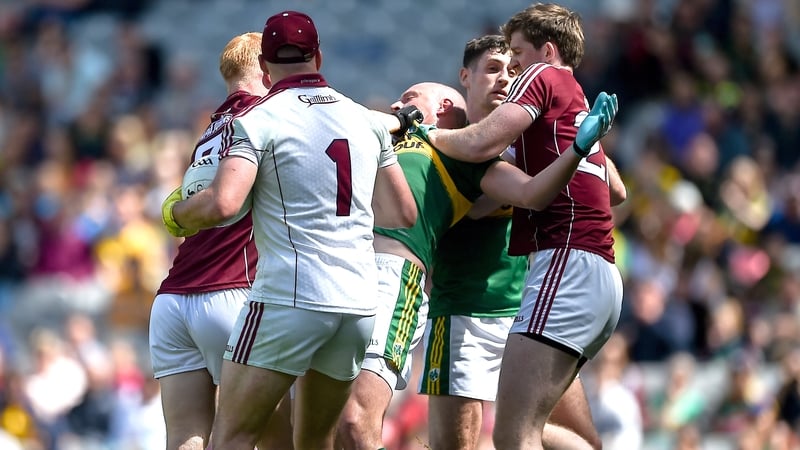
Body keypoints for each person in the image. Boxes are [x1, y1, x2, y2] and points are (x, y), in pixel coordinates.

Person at [161, 11, 419, 450]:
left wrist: (180, 214)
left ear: (265, 67)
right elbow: (401, 214)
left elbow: (225, 202)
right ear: (318, 56)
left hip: (289, 300)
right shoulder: (366, 119)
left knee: (232, 437)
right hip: (358, 303)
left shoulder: (259, 120)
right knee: (314, 443)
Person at [337, 79, 618, 449]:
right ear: (465, 80)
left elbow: (614, 189)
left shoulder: (530, 138)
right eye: (493, 68)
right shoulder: (452, 147)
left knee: (573, 438)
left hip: (529, 308)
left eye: (512, 68)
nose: (505, 78)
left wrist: (575, 138)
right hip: (463, 315)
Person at [425, 4, 626, 449]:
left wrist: (425, 135)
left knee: (515, 435)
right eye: (496, 64)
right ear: (463, 80)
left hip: (563, 266)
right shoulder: (573, 101)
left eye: (515, 54)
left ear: (547, 50)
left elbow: (481, 145)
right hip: (591, 276)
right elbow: (617, 190)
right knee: (536, 434)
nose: (511, 69)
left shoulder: (543, 78)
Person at [147, 31, 293, 450]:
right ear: (267, 70)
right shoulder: (269, 117)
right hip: (232, 294)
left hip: (172, 301)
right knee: (276, 438)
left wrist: (174, 213)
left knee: (185, 438)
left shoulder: (210, 130)